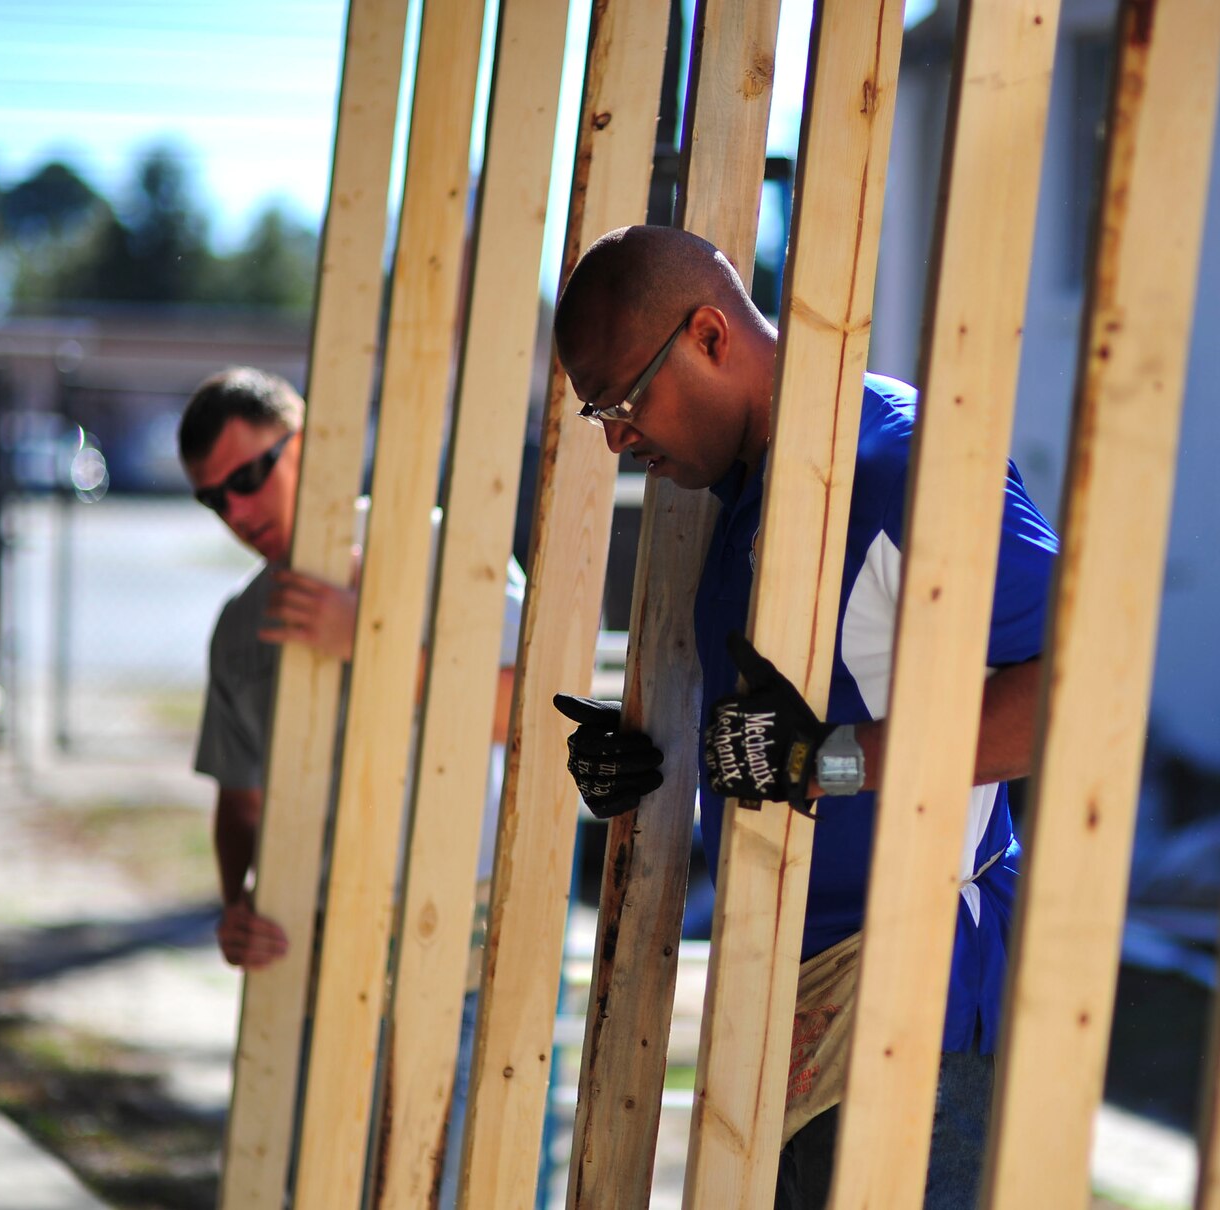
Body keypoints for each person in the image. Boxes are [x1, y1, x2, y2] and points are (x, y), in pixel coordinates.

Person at [546, 225, 1057, 1209]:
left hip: (916, 1007)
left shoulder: (901, 466)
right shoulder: (750, 497)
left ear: (707, 335)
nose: (615, 438)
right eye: (596, 414)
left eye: (622, 400)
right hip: (785, 1008)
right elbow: (784, 734)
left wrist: (825, 760)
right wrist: (648, 765)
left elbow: (1079, 693)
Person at [178, 368, 523, 1189]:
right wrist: (236, 902)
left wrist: (365, 640)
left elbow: (530, 715)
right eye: (212, 499)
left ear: (313, 445)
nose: (237, 511)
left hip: (462, 959)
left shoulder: (444, 548)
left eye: (252, 475)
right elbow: (240, 799)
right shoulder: (239, 627)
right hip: (317, 963)